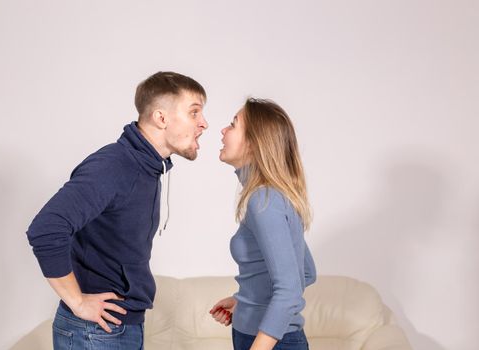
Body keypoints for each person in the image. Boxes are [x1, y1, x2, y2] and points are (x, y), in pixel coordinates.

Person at [26, 71, 208, 350]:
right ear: (161, 118)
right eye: (194, 113)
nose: (203, 124)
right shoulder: (114, 165)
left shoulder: (147, 168)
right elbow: (46, 229)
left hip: (117, 327)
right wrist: (77, 302)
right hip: (93, 332)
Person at [209, 98, 316, 350]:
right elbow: (307, 271)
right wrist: (244, 303)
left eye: (233, 125)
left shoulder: (263, 200)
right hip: (260, 336)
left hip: (271, 343)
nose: (223, 131)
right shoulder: (271, 196)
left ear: (254, 143)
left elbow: (289, 291)